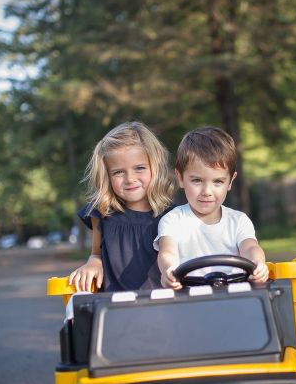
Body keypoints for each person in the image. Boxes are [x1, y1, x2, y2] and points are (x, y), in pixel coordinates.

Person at [155, 126, 269, 290]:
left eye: (218, 182)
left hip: (236, 296)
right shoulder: (173, 221)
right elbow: (167, 252)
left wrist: (258, 263)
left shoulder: (238, 221)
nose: (207, 192)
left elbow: (250, 247)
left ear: (230, 181)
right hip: (189, 297)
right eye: (197, 181)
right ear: (180, 178)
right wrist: (169, 269)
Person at [68, 121, 176, 292]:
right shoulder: (102, 214)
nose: (130, 179)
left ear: (155, 168)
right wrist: (94, 263)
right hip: (114, 304)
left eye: (139, 168)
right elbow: (96, 254)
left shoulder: (174, 217)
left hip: (163, 304)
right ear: (107, 176)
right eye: (118, 172)